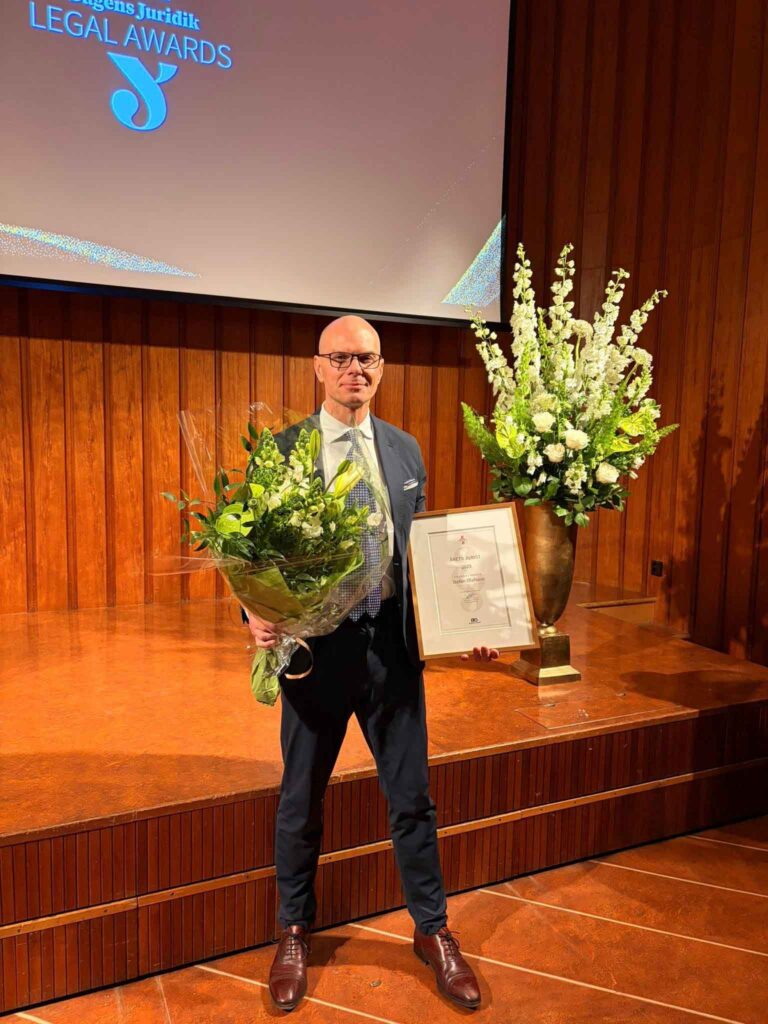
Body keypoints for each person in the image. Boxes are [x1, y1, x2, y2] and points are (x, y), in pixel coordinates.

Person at [245, 315, 497, 1012]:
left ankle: (432, 929)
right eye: (342, 358)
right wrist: (254, 610)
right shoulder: (283, 452)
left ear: (381, 368)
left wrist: (467, 622)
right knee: (300, 800)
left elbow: (427, 559)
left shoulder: (405, 450)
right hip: (315, 654)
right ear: (318, 367)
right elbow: (253, 550)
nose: (355, 369)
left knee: (412, 798)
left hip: (392, 651)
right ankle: (293, 930)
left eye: (368, 359)